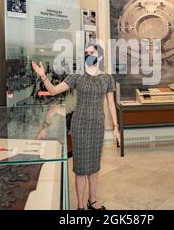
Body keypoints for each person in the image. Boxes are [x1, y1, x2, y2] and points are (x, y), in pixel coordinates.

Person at [31, 43, 120, 210]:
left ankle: (92, 201)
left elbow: (110, 105)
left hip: (97, 126)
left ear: (99, 56)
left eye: (91, 52)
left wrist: (116, 127)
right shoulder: (77, 76)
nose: (88, 55)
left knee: (94, 165)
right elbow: (54, 91)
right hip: (80, 125)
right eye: (86, 53)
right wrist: (43, 76)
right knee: (80, 167)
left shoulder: (107, 78)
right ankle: (80, 206)